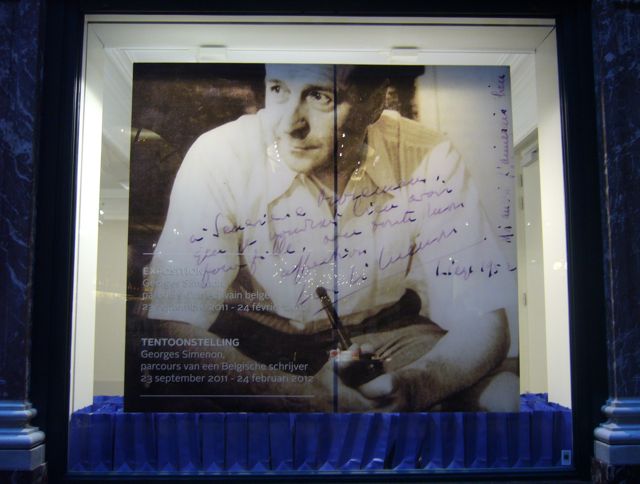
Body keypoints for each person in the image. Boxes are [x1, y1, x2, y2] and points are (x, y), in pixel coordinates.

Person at [132, 64, 518, 413]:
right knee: (162, 405)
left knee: (504, 398)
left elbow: (485, 319)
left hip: (387, 338)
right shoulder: (220, 154)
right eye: (279, 90)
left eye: (320, 97)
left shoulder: (427, 154)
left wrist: (415, 387)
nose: (290, 124)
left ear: (376, 101)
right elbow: (173, 325)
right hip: (250, 347)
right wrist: (299, 396)